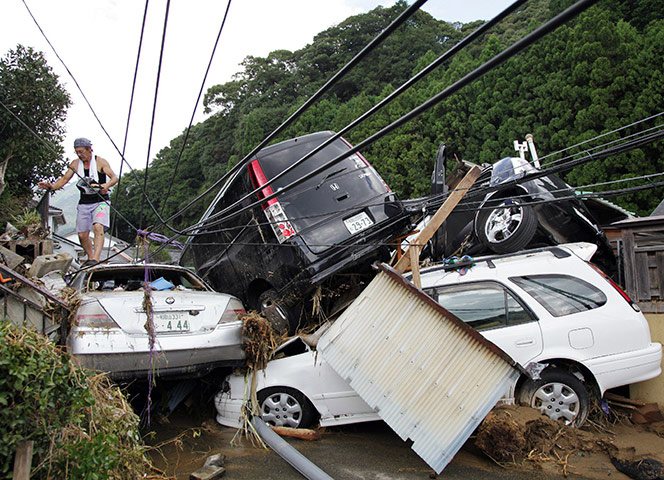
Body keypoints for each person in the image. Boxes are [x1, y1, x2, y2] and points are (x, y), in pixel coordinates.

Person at [38, 137, 118, 265]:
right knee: (82, 234)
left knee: (98, 227)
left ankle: (96, 258)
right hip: (84, 202)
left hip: (101, 201)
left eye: (82, 152)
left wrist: (106, 186)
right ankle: (90, 257)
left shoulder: (100, 162)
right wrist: (51, 186)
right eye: (77, 152)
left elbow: (114, 178)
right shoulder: (75, 164)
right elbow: (64, 179)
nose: (80, 155)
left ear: (89, 149)